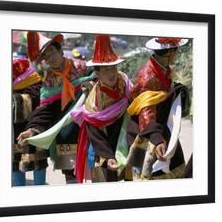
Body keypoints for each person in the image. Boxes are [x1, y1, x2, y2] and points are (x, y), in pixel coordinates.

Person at [17, 31, 94, 184]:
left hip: (88, 124)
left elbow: (99, 81)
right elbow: (45, 108)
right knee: (70, 173)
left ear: (61, 51)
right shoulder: (48, 79)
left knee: (97, 165)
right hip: (65, 130)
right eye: (45, 57)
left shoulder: (82, 67)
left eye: (52, 52)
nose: (50, 58)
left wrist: (91, 87)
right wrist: (32, 129)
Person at [71, 34, 133, 183]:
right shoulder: (93, 103)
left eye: (113, 68)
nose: (112, 73)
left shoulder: (124, 81)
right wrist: (108, 156)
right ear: (97, 74)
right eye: (106, 70)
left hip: (126, 140)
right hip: (105, 146)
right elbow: (95, 133)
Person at [126, 37, 190, 180]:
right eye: (176, 51)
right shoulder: (147, 76)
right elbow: (146, 111)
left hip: (161, 127)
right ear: (170, 53)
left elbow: (161, 97)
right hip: (148, 130)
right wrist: (157, 138)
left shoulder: (163, 69)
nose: (177, 54)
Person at [12, 58, 42, 186]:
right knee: (16, 161)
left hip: (34, 129)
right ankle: (18, 189)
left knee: (39, 162)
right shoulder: (15, 85)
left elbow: (32, 101)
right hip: (17, 131)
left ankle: (40, 189)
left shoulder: (35, 83)